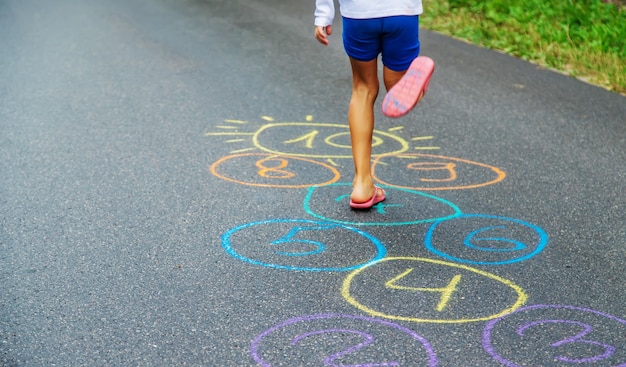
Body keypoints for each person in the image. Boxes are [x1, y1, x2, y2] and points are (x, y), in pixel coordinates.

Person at [314, 0, 435, 209]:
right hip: (401, 11)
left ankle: (362, 184)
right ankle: (414, 91)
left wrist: (323, 15)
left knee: (363, 88)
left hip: (358, 15)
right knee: (396, 87)